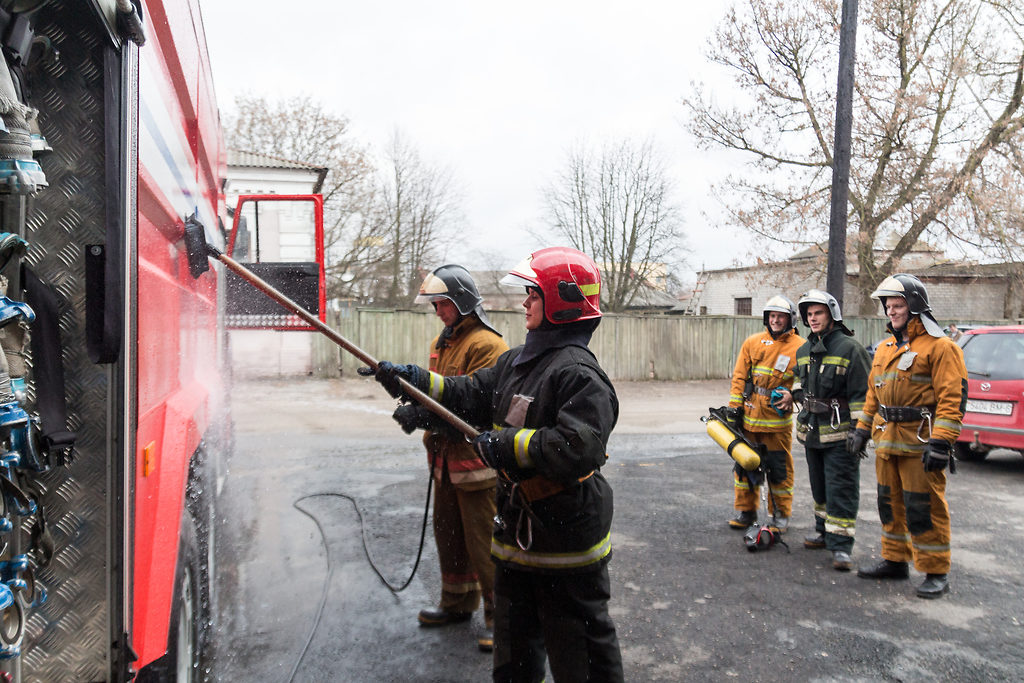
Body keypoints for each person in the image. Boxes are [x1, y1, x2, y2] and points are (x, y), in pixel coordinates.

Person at [372, 247, 623, 683]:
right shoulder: (517, 361)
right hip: (518, 541)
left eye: (533, 295)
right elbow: (467, 392)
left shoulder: (579, 374)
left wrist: (505, 446)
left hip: (565, 542)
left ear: (561, 302)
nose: (524, 303)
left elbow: (578, 447)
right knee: (514, 657)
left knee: (578, 659)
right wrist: (413, 380)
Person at [392, 264, 508, 651]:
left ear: (461, 302)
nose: (437, 311)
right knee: (450, 537)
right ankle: (457, 603)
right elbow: (440, 397)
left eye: (442, 304)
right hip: (443, 462)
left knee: (484, 543)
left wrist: (424, 415)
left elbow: (475, 406)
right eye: (435, 305)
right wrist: (418, 409)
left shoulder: (487, 345)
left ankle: (501, 620)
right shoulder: (444, 342)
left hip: (475, 466)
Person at [850, 274, 967, 599]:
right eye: (888, 306)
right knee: (889, 505)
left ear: (915, 306)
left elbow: (951, 397)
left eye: (898, 305)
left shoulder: (941, 347)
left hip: (920, 443)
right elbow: (875, 393)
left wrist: (942, 441)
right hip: (886, 441)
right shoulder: (886, 347)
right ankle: (895, 560)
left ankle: (935, 570)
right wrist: (862, 430)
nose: (892, 311)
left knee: (924, 507)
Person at [792, 289, 870, 571]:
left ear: (832, 315)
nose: (813, 319)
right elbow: (798, 381)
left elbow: (864, 394)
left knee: (842, 488)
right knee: (819, 486)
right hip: (812, 432)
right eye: (809, 314)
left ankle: (841, 546)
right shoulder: (803, 350)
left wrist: (861, 431)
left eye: (818, 313)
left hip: (840, 434)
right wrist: (796, 394)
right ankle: (823, 532)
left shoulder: (851, 348)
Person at [724, 295, 804, 532]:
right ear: (766, 318)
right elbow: (739, 377)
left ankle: (780, 516)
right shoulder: (752, 342)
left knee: (779, 472)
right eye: (772, 316)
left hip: (777, 424)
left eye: (781, 316)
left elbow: (804, 381)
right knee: (744, 468)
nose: (776, 320)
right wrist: (734, 408)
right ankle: (746, 512)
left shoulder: (801, 346)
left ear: (790, 319)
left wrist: (794, 395)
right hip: (749, 421)